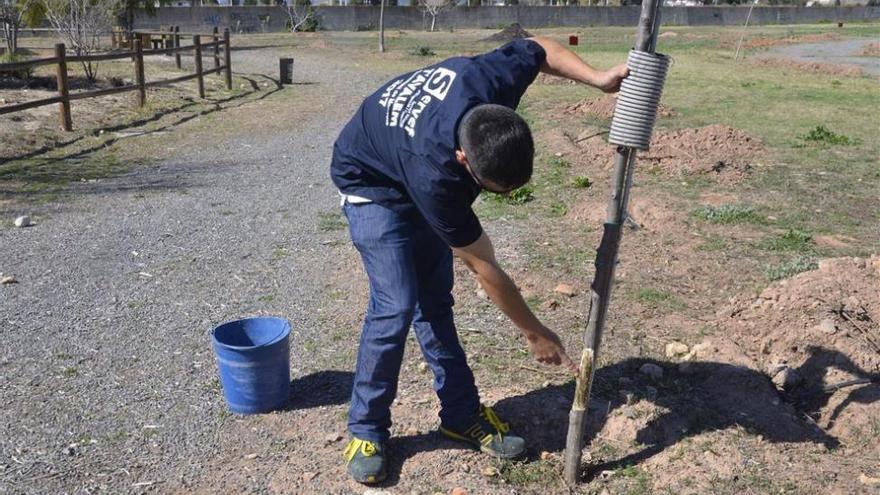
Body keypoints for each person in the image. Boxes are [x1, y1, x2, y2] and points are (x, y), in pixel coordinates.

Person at [330, 36, 628, 484]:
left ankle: (461, 414)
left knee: (434, 300)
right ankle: (367, 429)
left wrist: (598, 79)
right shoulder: (437, 178)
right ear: (462, 159)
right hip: (371, 178)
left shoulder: (490, 82)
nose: (502, 198)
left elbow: (539, 47)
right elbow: (483, 266)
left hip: (408, 153)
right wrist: (535, 332)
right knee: (396, 303)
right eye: (493, 189)